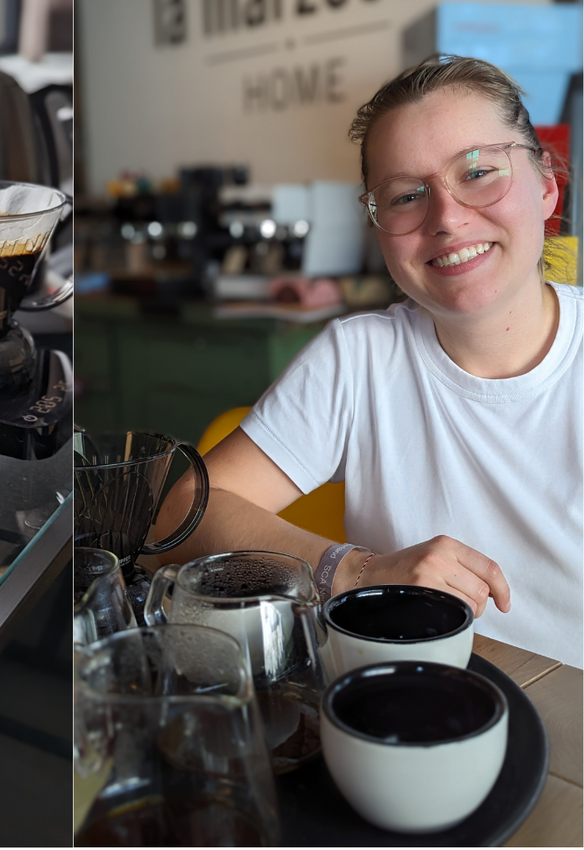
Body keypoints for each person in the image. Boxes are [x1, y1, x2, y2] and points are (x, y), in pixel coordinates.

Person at [150, 55, 583, 666]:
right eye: (407, 195)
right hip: (408, 706)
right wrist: (354, 571)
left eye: (480, 172)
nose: (448, 219)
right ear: (380, 231)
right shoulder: (358, 358)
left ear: (546, 188)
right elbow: (178, 514)